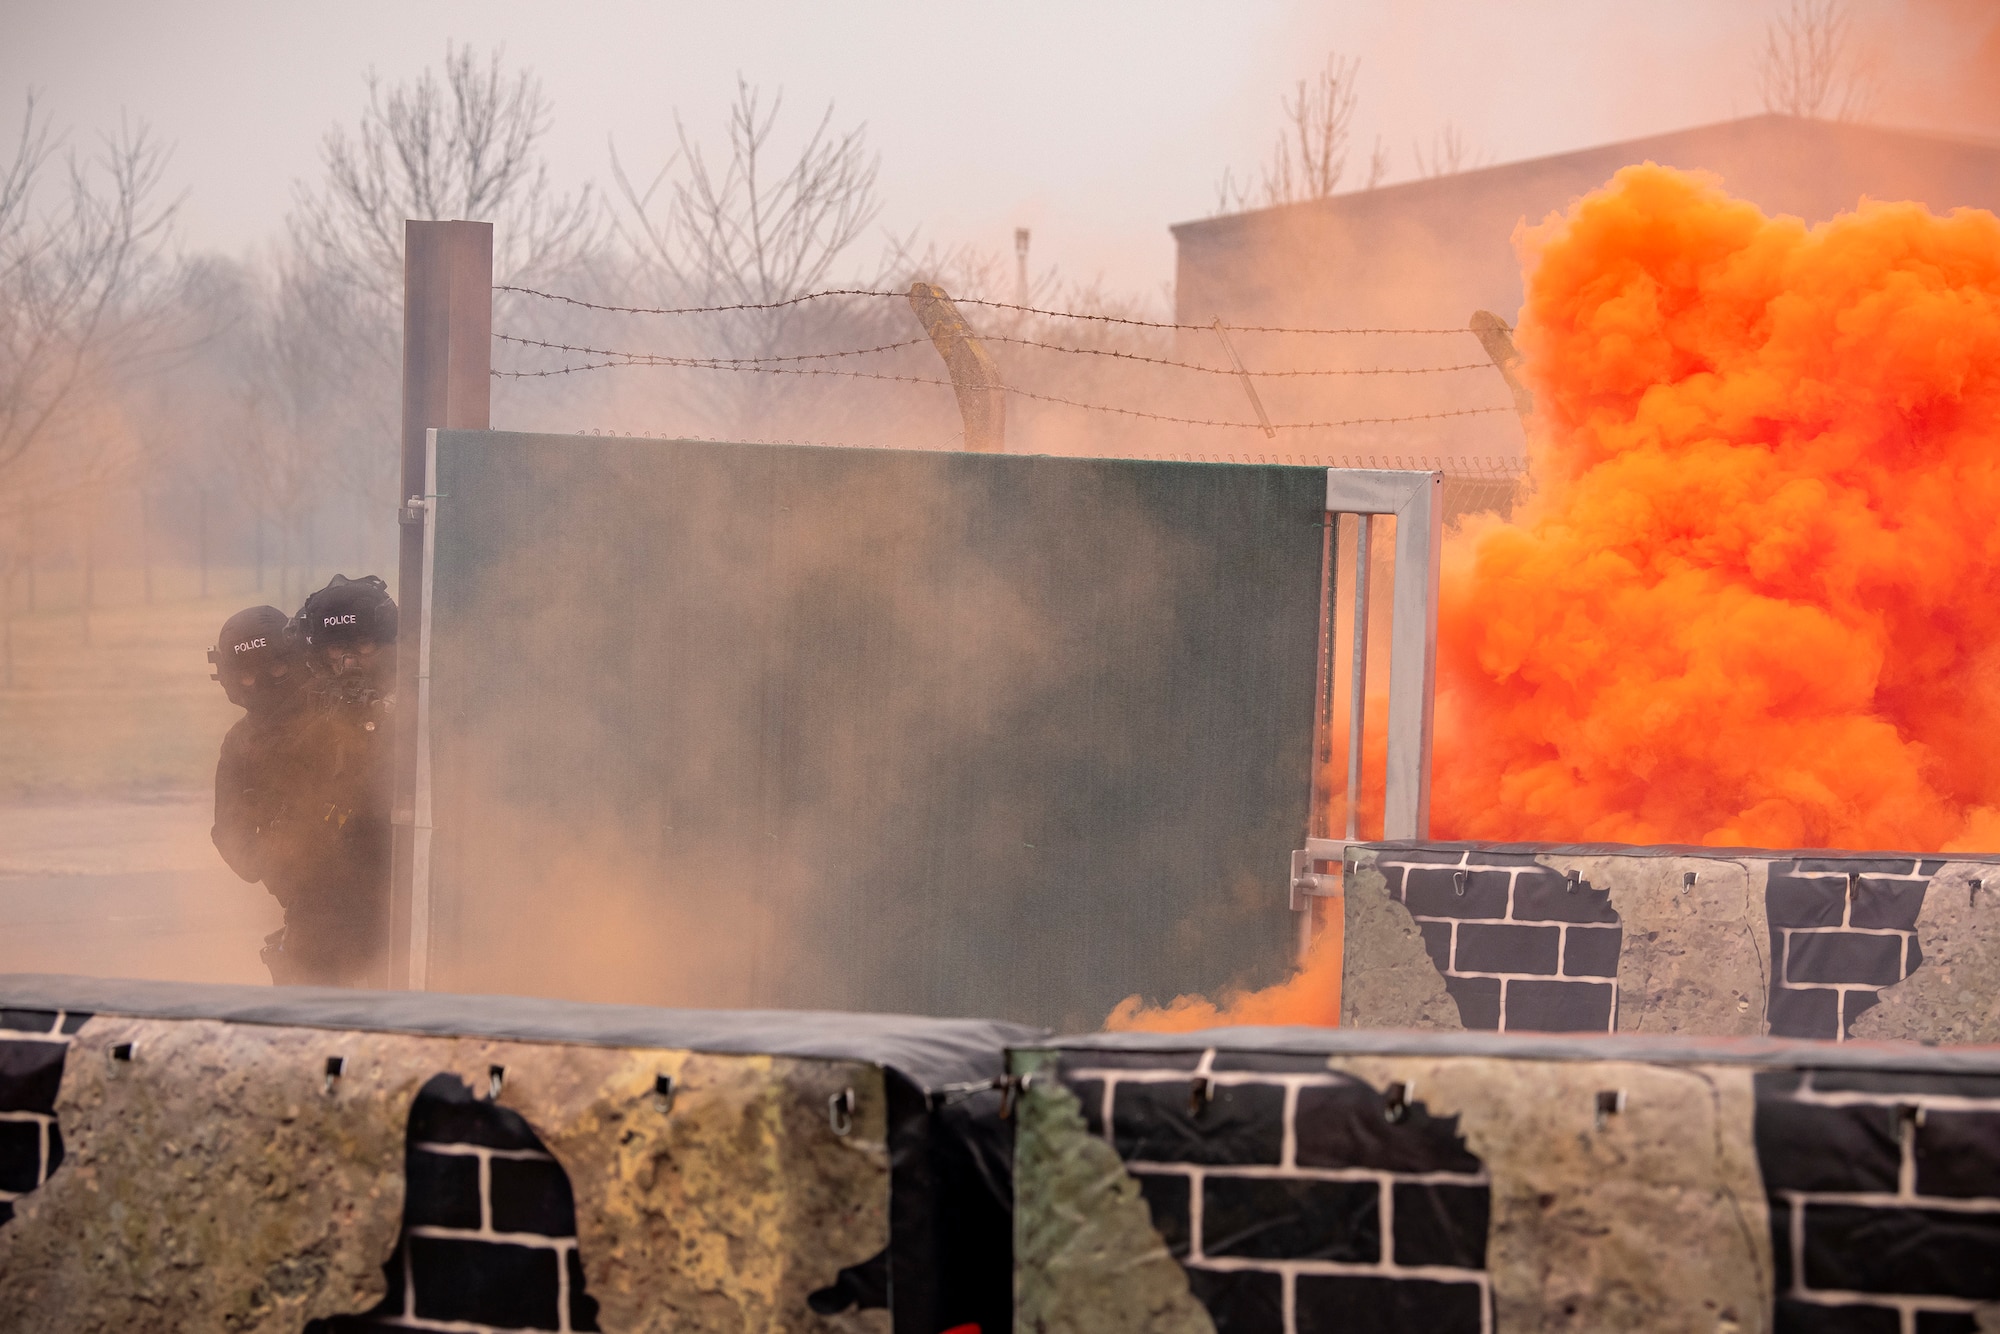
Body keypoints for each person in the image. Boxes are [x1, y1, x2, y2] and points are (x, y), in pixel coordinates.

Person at [268, 573, 400, 987]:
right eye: (339, 649)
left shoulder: (417, 708)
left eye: (364, 646)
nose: (350, 663)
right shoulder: (298, 719)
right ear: (320, 655)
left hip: (396, 888)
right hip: (324, 900)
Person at [208, 604, 317, 978]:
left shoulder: (340, 715)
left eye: (275, 669)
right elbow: (233, 840)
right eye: (249, 677)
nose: (264, 684)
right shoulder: (241, 743)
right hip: (310, 906)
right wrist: (281, 861)